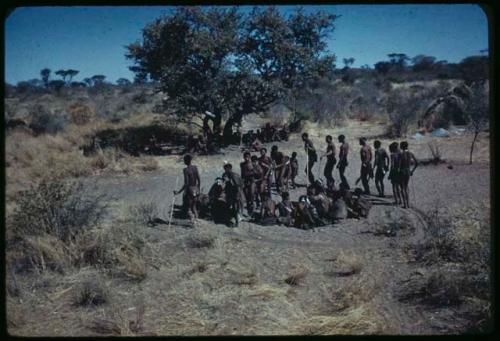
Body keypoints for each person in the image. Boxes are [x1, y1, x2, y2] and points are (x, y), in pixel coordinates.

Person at [173, 154, 201, 219]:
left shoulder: (186, 170)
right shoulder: (195, 167)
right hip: (196, 189)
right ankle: (197, 220)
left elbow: (186, 183)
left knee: (188, 208)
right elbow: (199, 179)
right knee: (194, 207)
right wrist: (198, 189)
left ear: (186, 161)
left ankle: (192, 222)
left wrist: (179, 192)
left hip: (190, 190)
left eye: (184, 160)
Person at [399, 141, 418, 209]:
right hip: (408, 171)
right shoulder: (410, 153)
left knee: (402, 188)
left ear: (401, 147)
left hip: (402, 171)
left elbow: (399, 164)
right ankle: (408, 203)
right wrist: (412, 171)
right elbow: (417, 163)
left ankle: (405, 204)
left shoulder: (400, 154)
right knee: (406, 187)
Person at [240, 151, 256, 216]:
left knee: (251, 194)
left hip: (251, 180)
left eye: (248, 157)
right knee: (246, 196)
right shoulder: (242, 164)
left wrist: (248, 173)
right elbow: (242, 173)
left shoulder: (252, 164)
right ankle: (249, 209)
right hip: (245, 180)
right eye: (245, 157)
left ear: (249, 157)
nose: (246, 158)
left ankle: (252, 207)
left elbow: (255, 172)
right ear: (244, 157)